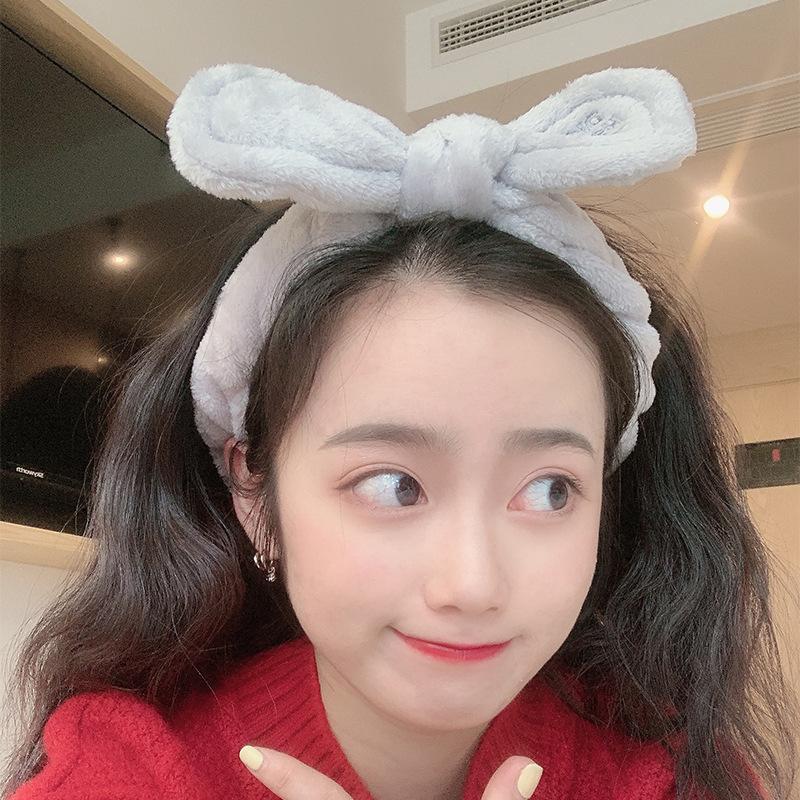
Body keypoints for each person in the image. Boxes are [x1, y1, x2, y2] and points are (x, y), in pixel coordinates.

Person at [2, 65, 796, 800]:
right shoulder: (128, 770)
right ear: (254, 492)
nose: (473, 585)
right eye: (393, 485)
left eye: (551, 490)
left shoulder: (674, 771)